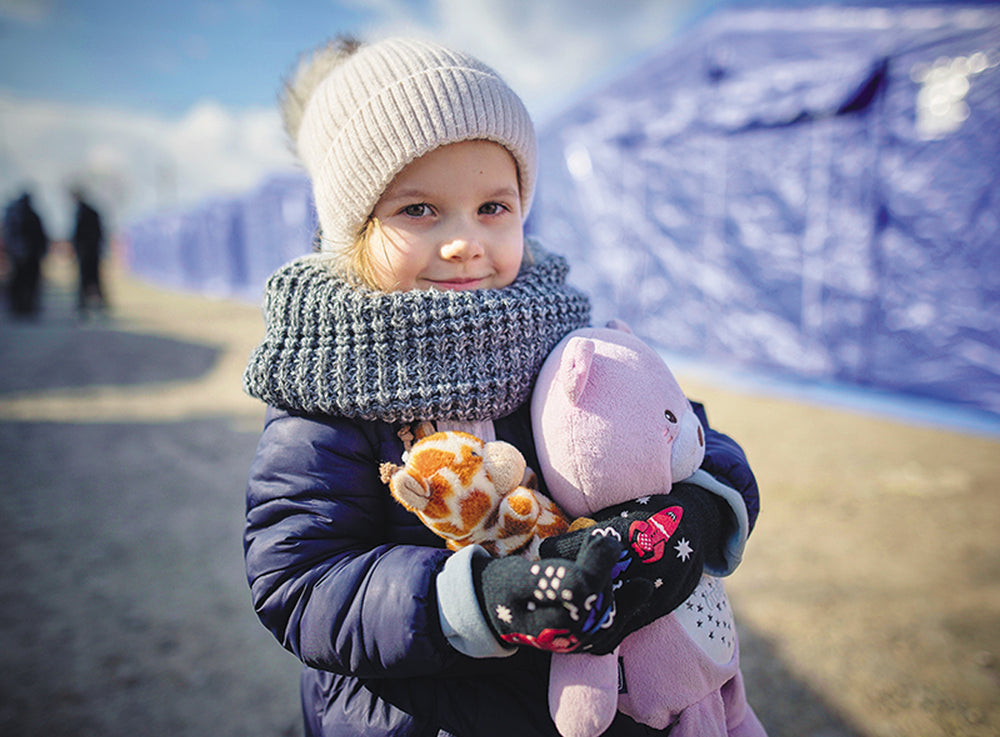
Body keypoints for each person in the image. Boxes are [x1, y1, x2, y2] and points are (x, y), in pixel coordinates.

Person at [242, 37, 761, 737]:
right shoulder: (326, 386)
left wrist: (690, 520)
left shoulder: (562, 330)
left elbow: (690, 433)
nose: (465, 240)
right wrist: (478, 599)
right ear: (352, 227)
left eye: (493, 206)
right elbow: (300, 580)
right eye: (419, 209)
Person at [2, 191, 48, 317]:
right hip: (27, 256)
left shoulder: (16, 217)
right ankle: (24, 306)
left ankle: (21, 306)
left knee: (22, 282)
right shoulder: (28, 216)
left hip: (21, 255)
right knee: (26, 282)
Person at [70, 188, 107, 317]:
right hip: (91, 251)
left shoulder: (82, 212)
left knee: (87, 279)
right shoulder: (90, 211)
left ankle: (84, 306)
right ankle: (95, 305)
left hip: (86, 252)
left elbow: (78, 234)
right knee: (93, 279)